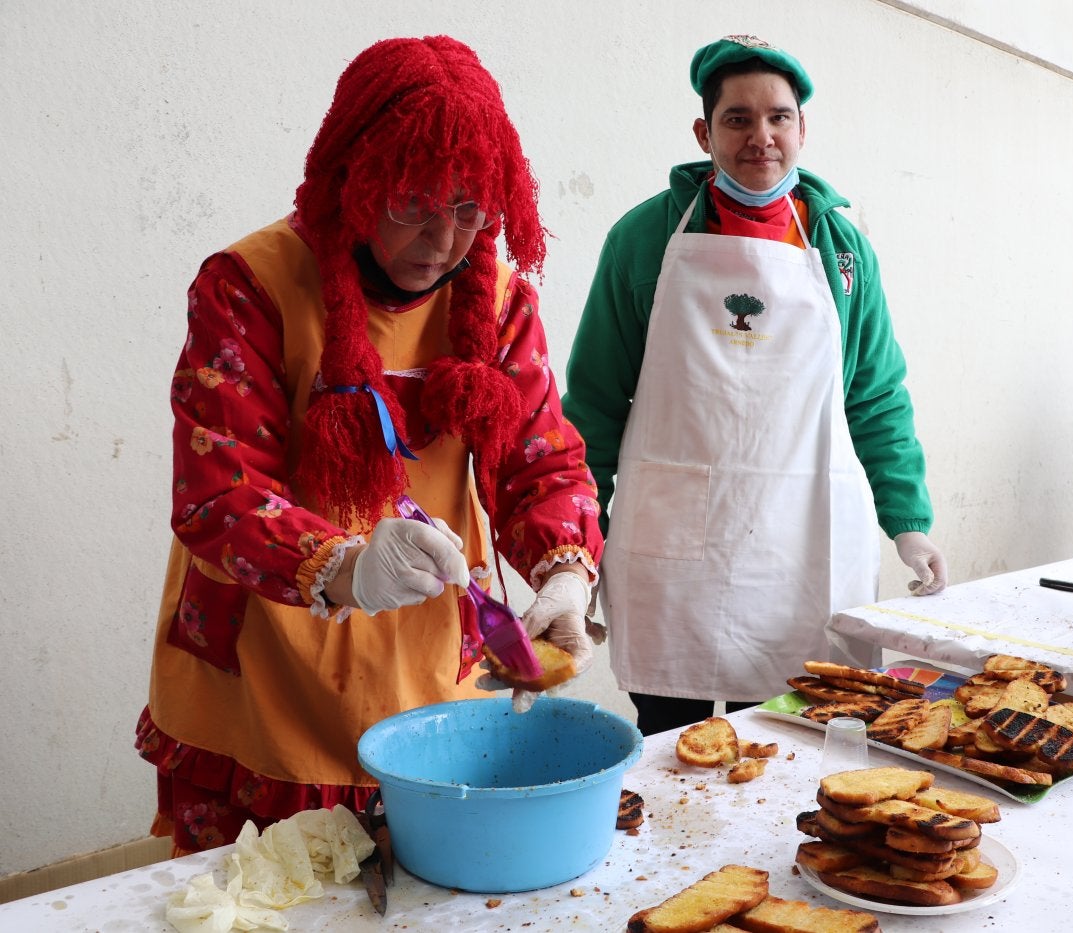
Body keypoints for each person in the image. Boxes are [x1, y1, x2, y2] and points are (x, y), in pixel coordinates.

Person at [135, 36, 603, 856]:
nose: (442, 239)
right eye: (412, 201)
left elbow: (543, 458)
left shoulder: (494, 300)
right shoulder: (251, 284)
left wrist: (564, 574)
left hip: (422, 656)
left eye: (470, 210)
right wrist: (343, 567)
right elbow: (218, 493)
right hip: (263, 664)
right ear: (357, 178)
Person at [562, 35, 947, 737]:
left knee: (789, 741)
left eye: (778, 117)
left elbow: (876, 394)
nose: (760, 137)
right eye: (737, 119)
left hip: (799, 549)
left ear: (803, 129)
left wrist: (909, 521)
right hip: (672, 555)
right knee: (668, 745)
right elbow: (591, 407)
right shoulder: (643, 240)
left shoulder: (843, 249)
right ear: (704, 132)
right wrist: (580, 545)